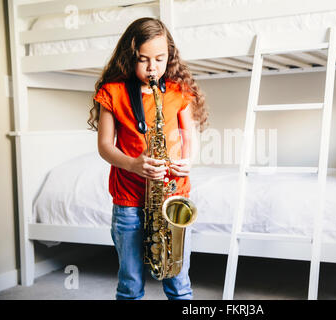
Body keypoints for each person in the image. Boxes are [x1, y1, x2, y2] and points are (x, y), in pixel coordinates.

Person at [87, 17, 208, 300]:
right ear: (129, 57)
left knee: (179, 284)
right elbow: (105, 146)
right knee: (129, 284)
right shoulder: (112, 93)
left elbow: (190, 137)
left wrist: (189, 161)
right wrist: (132, 164)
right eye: (143, 60)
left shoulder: (178, 91)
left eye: (160, 59)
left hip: (171, 194)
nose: (152, 67)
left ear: (170, 57)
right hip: (128, 198)